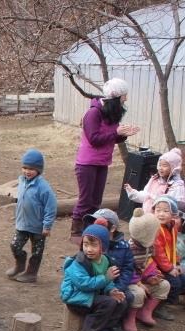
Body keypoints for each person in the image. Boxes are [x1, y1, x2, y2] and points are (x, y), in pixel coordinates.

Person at [70, 78, 140, 243]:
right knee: (85, 199)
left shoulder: (111, 113)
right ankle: (75, 232)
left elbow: (110, 138)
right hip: (87, 163)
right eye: (124, 95)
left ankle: (90, 230)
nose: (126, 99)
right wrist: (117, 133)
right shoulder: (93, 113)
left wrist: (123, 135)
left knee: (96, 200)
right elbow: (94, 138)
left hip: (102, 162)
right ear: (115, 96)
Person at [60, 219, 127, 331]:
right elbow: (83, 284)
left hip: (92, 295)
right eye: (86, 244)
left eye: (94, 245)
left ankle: (103, 328)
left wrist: (110, 290)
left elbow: (109, 281)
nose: (89, 249)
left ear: (103, 246)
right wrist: (106, 278)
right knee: (107, 302)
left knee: (120, 301)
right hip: (76, 297)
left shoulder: (106, 261)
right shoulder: (79, 262)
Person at [5, 150, 57, 283]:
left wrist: (47, 226)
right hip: (23, 224)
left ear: (39, 169)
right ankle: (19, 264)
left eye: (31, 169)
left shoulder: (43, 187)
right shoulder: (22, 181)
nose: (27, 171)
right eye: (24, 167)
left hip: (38, 227)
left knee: (37, 252)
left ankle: (31, 273)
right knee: (14, 245)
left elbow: (50, 207)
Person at [84, 209, 134, 331]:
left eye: (100, 224)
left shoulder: (123, 246)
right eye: (93, 223)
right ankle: (102, 327)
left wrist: (118, 288)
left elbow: (128, 269)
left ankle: (114, 324)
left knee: (126, 296)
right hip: (97, 285)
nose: (95, 227)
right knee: (108, 301)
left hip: (114, 284)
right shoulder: (91, 245)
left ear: (112, 228)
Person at [125, 208, 171, 331]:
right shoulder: (129, 249)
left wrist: (151, 276)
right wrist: (138, 283)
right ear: (147, 234)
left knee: (164, 285)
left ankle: (145, 311)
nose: (158, 233)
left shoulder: (148, 247)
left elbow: (146, 266)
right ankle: (130, 317)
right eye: (155, 231)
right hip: (130, 283)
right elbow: (126, 271)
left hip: (141, 281)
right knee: (138, 293)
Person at [124, 148, 184, 214]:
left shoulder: (176, 186)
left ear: (174, 168)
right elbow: (145, 196)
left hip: (162, 221)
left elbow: (177, 208)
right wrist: (132, 192)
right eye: (160, 165)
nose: (161, 168)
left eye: (164, 166)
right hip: (148, 218)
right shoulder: (154, 180)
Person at [152, 195, 185, 315]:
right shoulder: (156, 229)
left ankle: (164, 303)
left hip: (167, 264)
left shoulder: (171, 227)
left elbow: (172, 248)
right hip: (155, 266)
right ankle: (158, 306)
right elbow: (158, 253)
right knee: (174, 282)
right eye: (158, 210)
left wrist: (176, 263)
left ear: (174, 214)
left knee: (182, 279)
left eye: (166, 211)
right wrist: (170, 268)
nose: (161, 214)